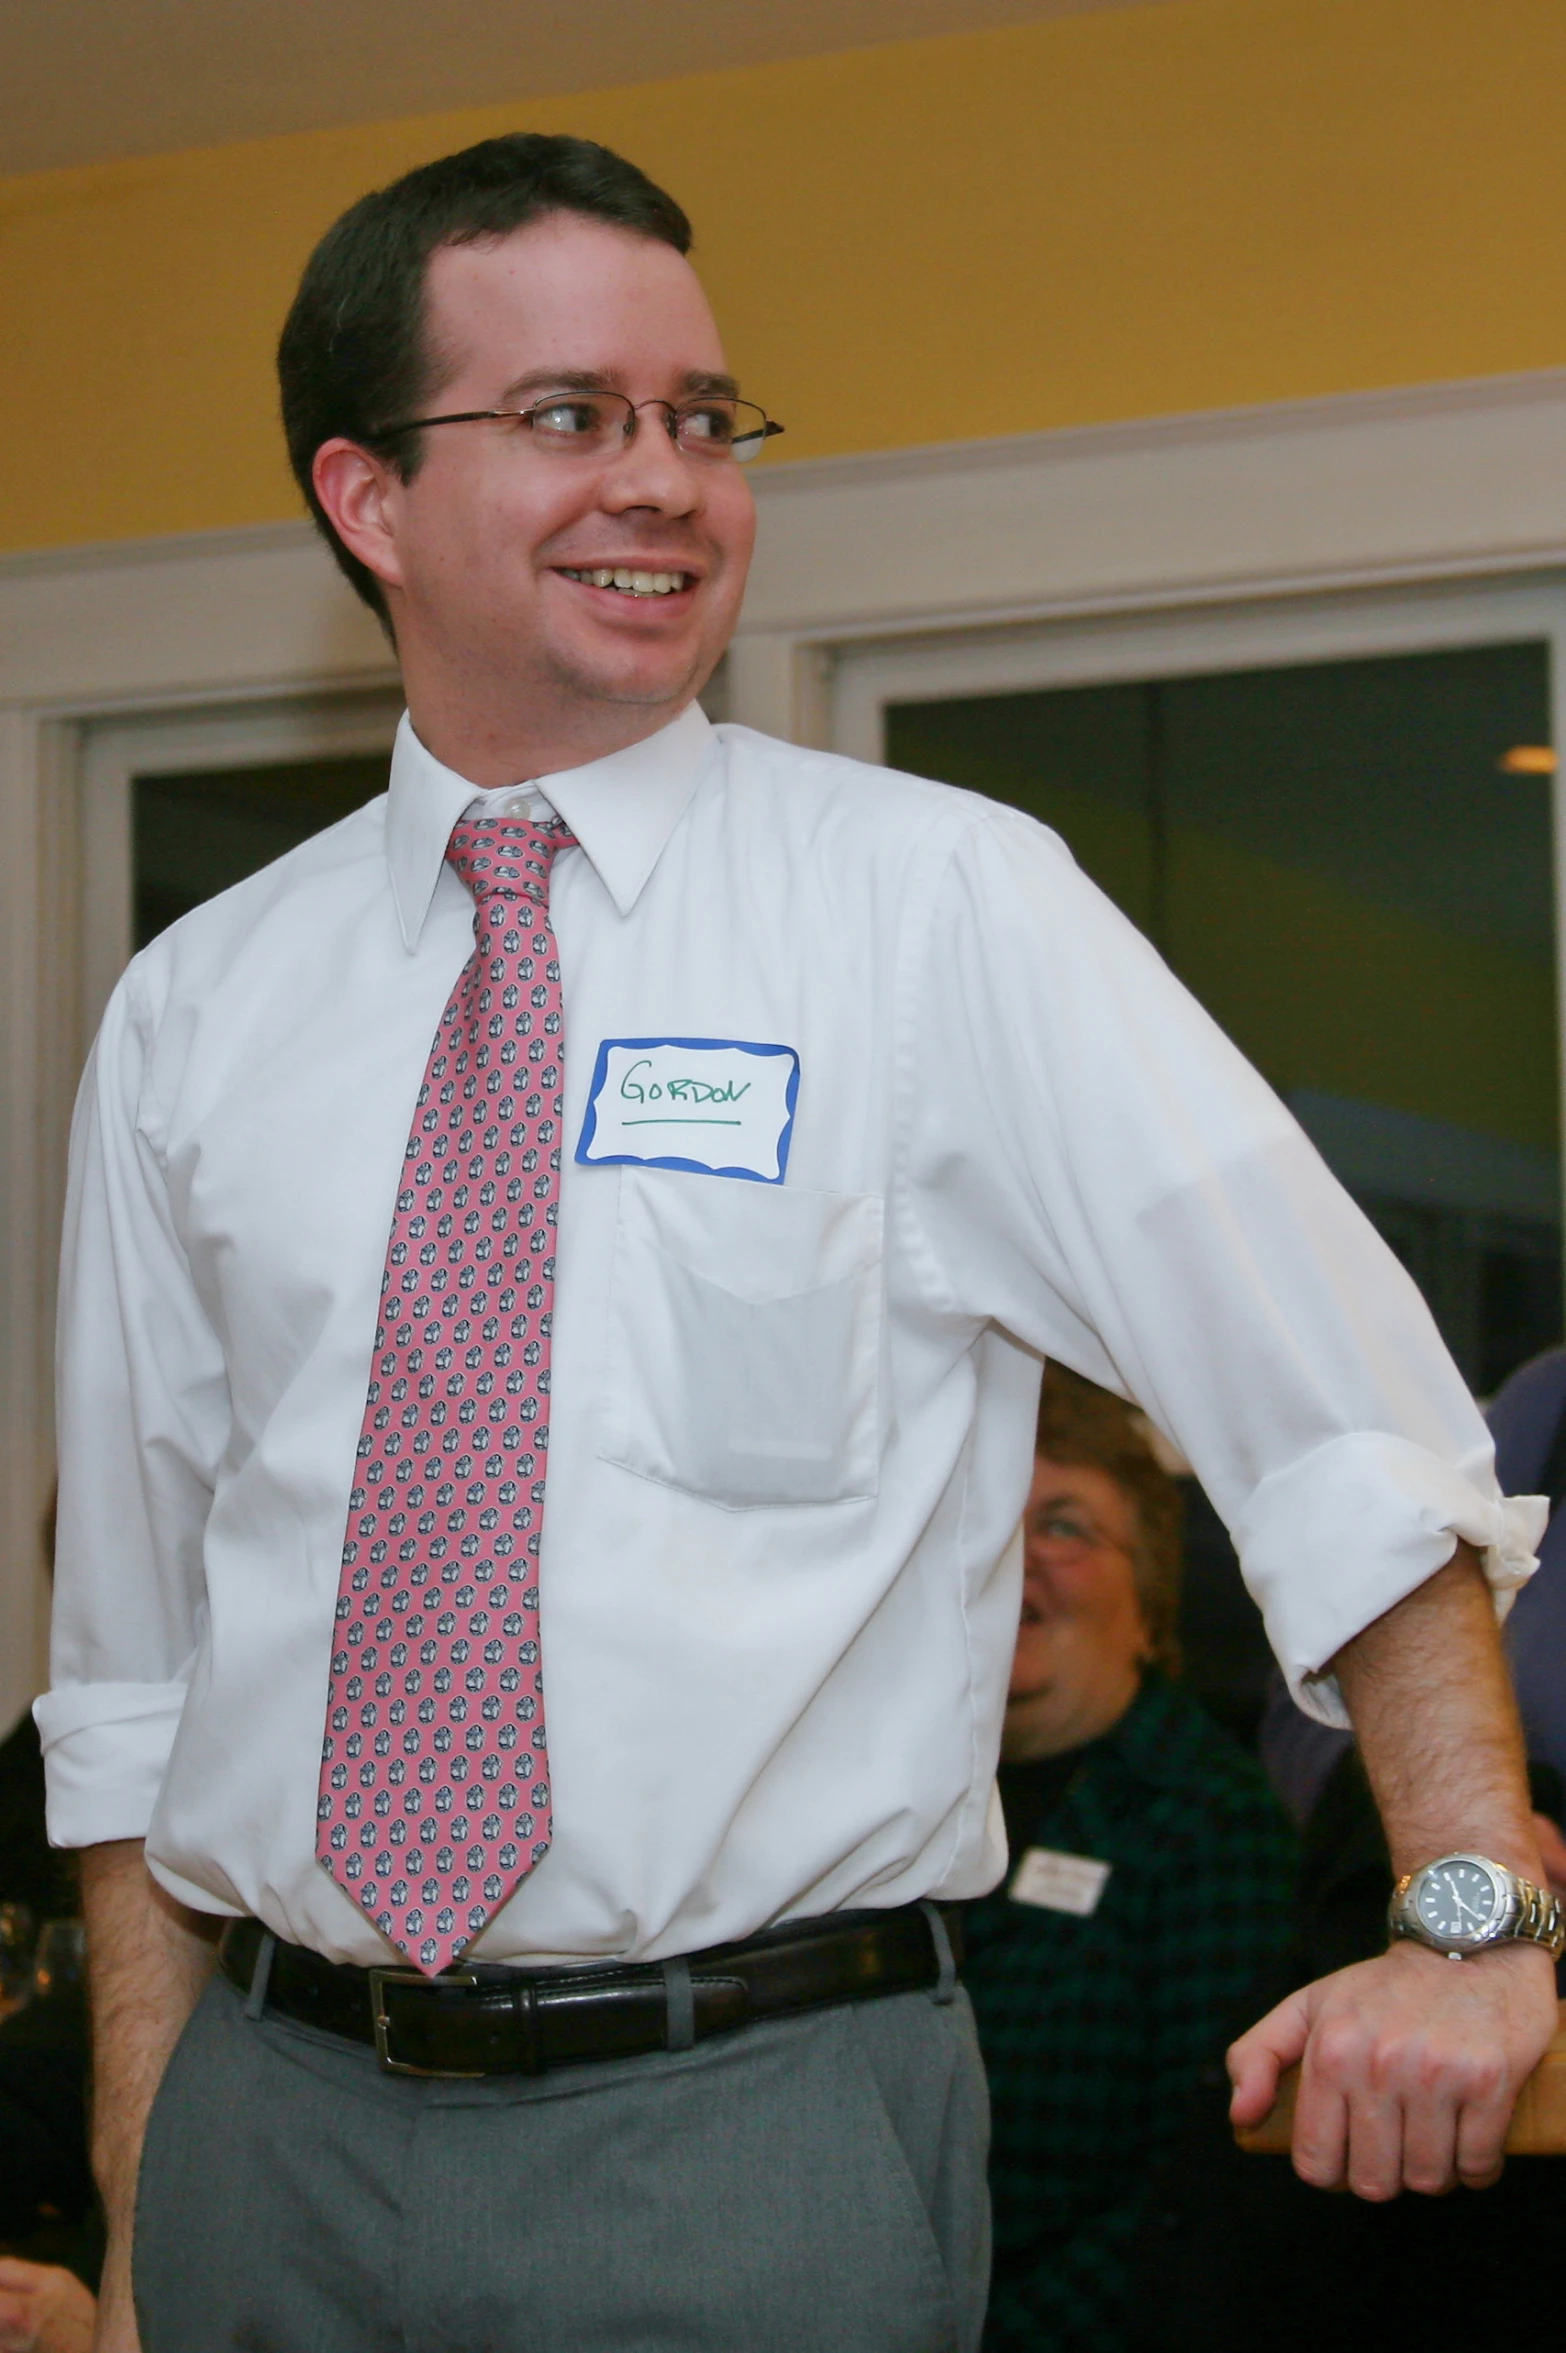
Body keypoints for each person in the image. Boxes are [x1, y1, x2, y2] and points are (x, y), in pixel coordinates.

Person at [36, 132, 1560, 2353]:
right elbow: (138, 1670)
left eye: (703, 419)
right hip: (272, 2127)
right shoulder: (198, 1010)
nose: (666, 479)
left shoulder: (945, 906)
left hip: (750, 2129)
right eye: (571, 417)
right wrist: (147, 2148)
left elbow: (1337, 1415)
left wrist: (1467, 1910)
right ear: (367, 499)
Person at [965, 1368, 1296, 2352]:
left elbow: (1201, 2183)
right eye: (993, 1519)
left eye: (1065, 1524)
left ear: (1151, 1601)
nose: (1020, 1555)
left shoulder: (1208, 1823)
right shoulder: (886, 1810)